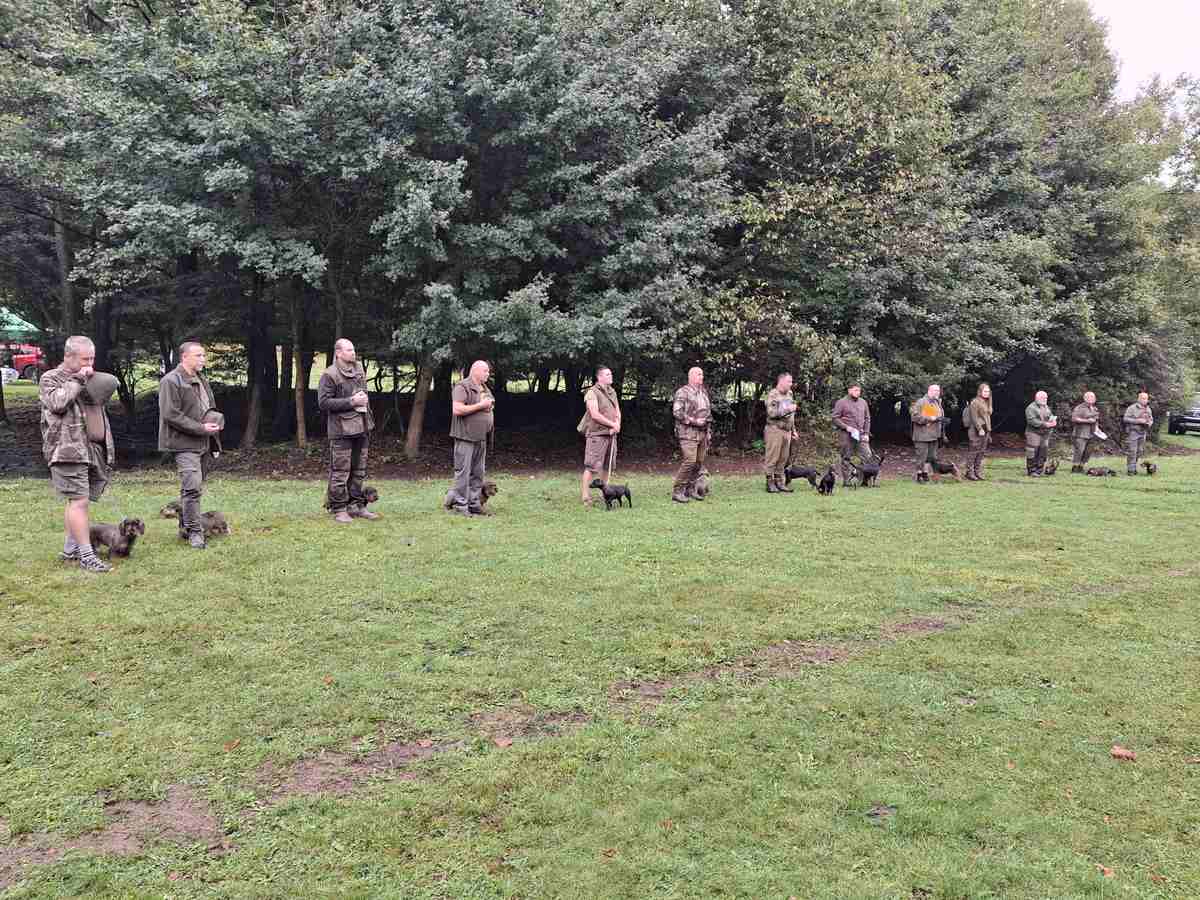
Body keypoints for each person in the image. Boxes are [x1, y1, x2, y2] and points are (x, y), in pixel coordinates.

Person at [39, 335, 117, 573]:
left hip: (90, 450)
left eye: (92, 359)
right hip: (67, 450)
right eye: (85, 359)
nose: (89, 364)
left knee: (77, 500)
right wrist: (79, 380)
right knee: (79, 501)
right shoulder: (51, 378)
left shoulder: (89, 377)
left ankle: (70, 549)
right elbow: (57, 403)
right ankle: (86, 555)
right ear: (68, 356)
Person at [158, 342, 222, 548]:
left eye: (204, 355)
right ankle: (195, 533)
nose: (203, 359)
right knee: (192, 488)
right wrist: (201, 428)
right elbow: (170, 414)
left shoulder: (201, 379)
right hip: (183, 443)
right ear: (184, 357)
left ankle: (185, 528)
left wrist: (213, 423)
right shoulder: (170, 380)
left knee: (192, 487)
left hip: (204, 441)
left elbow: (207, 408)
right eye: (198, 355)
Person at [317, 338, 378, 524]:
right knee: (340, 472)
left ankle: (356, 505)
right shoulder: (330, 374)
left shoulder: (359, 368)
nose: (353, 353)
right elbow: (323, 403)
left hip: (362, 426)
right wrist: (351, 402)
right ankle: (339, 509)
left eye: (353, 349)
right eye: (349, 350)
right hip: (341, 431)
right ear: (338, 353)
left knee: (359, 470)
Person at [448, 360, 495, 516]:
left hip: (481, 438)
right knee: (463, 473)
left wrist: (488, 406)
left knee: (478, 473)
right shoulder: (462, 387)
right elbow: (457, 409)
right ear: (475, 371)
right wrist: (481, 406)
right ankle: (460, 506)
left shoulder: (485, 388)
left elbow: (489, 404)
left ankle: (474, 504)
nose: (488, 374)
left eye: (488, 371)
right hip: (465, 437)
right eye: (485, 371)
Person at [578, 366, 621, 506]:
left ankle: (605, 494)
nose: (611, 376)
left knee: (607, 466)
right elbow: (595, 414)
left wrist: (617, 424)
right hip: (597, 435)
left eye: (611, 374)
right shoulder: (592, 392)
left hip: (611, 434)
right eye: (608, 374)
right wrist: (612, 424)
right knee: (592, 466)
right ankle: (586, 497)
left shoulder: (612, 391)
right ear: (599, 377)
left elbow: (617, 410)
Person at [671, 366, 712, 503]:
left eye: (702, 374)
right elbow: (677, 413)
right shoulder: (682, 392)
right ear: (691, 376)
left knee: (698, 462)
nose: (702, 377)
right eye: (699, 374)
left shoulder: (703, 392)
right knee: (690, 461)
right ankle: (678, 490)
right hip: (688, 433)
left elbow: (707, 414)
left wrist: (708, 431)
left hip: (702, 433)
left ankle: (691, 489)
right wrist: (694, 421)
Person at [762, 373, 798, 493]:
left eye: (791, 381)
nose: (791, 384)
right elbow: (771, 413)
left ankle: (779, 482)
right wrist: (788, 409)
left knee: (783, 458)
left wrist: (793, 430)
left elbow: (791, 416)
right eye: (789, 381)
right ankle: (770, 483)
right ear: (781, 381)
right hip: (775, 430)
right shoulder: (773, 394)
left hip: (787, 431)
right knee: (772, 457)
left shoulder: (790, 394)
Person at [832, 383, 871, 487]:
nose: (858, 392)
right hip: (846, 435)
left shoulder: (863, 402)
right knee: (846, 457)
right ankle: (847, 481)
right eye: (855, 390)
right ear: (849, 390)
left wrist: (866, 433)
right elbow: (835, 418)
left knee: (867, 455)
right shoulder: (841, 402)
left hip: (861, 434)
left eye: (859, 390)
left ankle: (862, 479)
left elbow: (867, 418)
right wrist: (846, 427)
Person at [909, 384, 944, 483]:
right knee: (921, 457)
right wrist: (929, 419)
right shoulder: (921, 402)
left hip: (934, 435)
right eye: (935, 390)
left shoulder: (937, 403)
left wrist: (942, 420)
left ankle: (925, 473)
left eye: (938, 391)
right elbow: (914, 417)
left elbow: (938, 416)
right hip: (922, 435)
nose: (937, 392)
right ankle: (918, 475)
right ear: (929, 391)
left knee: (931, 457)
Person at [1024, 390, 1057, 477]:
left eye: (1046, 398)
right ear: (1037, 398)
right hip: (1033, 433)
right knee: (1032, 451)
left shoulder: (1046, 407)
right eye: (1043, 398)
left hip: (1045, 433)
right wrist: (1045, 424)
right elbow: (1032, 421)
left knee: (1043, 451)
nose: (1045, 399)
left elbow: (1049, 415)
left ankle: (1039, 470)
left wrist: (1053, 420)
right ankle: (1031, 470)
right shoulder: (1030, 408)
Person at [963, 383, 992, 481]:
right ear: (980, 391)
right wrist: (980, 429)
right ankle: (969, 472)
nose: (987, 393)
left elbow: (987, 417)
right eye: (985, 391)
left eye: (988, 391)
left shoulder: (986, 402)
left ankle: (977, 472)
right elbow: (974, 417)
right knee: (973, 451)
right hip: (976, 430)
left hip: (986, 430)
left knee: (981, 452)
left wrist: (988, 430)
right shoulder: (975, 402)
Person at [1070, 391, 1102, 474]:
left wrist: (1098, 429)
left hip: (1092, 433)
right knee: (1079, 450)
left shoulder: (1095, 409)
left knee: (1088, 451)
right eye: (1090, 397)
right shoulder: (1079, 408)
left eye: (1093, 397)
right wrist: (1087, 421)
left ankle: (1081, 466)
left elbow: (1096, 420)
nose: (1092, 399)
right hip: (1081, 433)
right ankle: (1075, 467)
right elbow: (1074, 418)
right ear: (1085, 398)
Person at [1122, 391, 1153, 475]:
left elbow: (1151, 419)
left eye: (1146, 398)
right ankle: (1131, 470)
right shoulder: (1132, 408)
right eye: (1143, 398)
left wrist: (1149, 423)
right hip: (1133, 432)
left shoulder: (1148, 409)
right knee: (1132, 451)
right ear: (1138, 399)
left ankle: (1134, 466)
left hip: (1143, 432)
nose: (1144, 400)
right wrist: (1137, 421)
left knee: (1139, 451)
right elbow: (1125, 418)